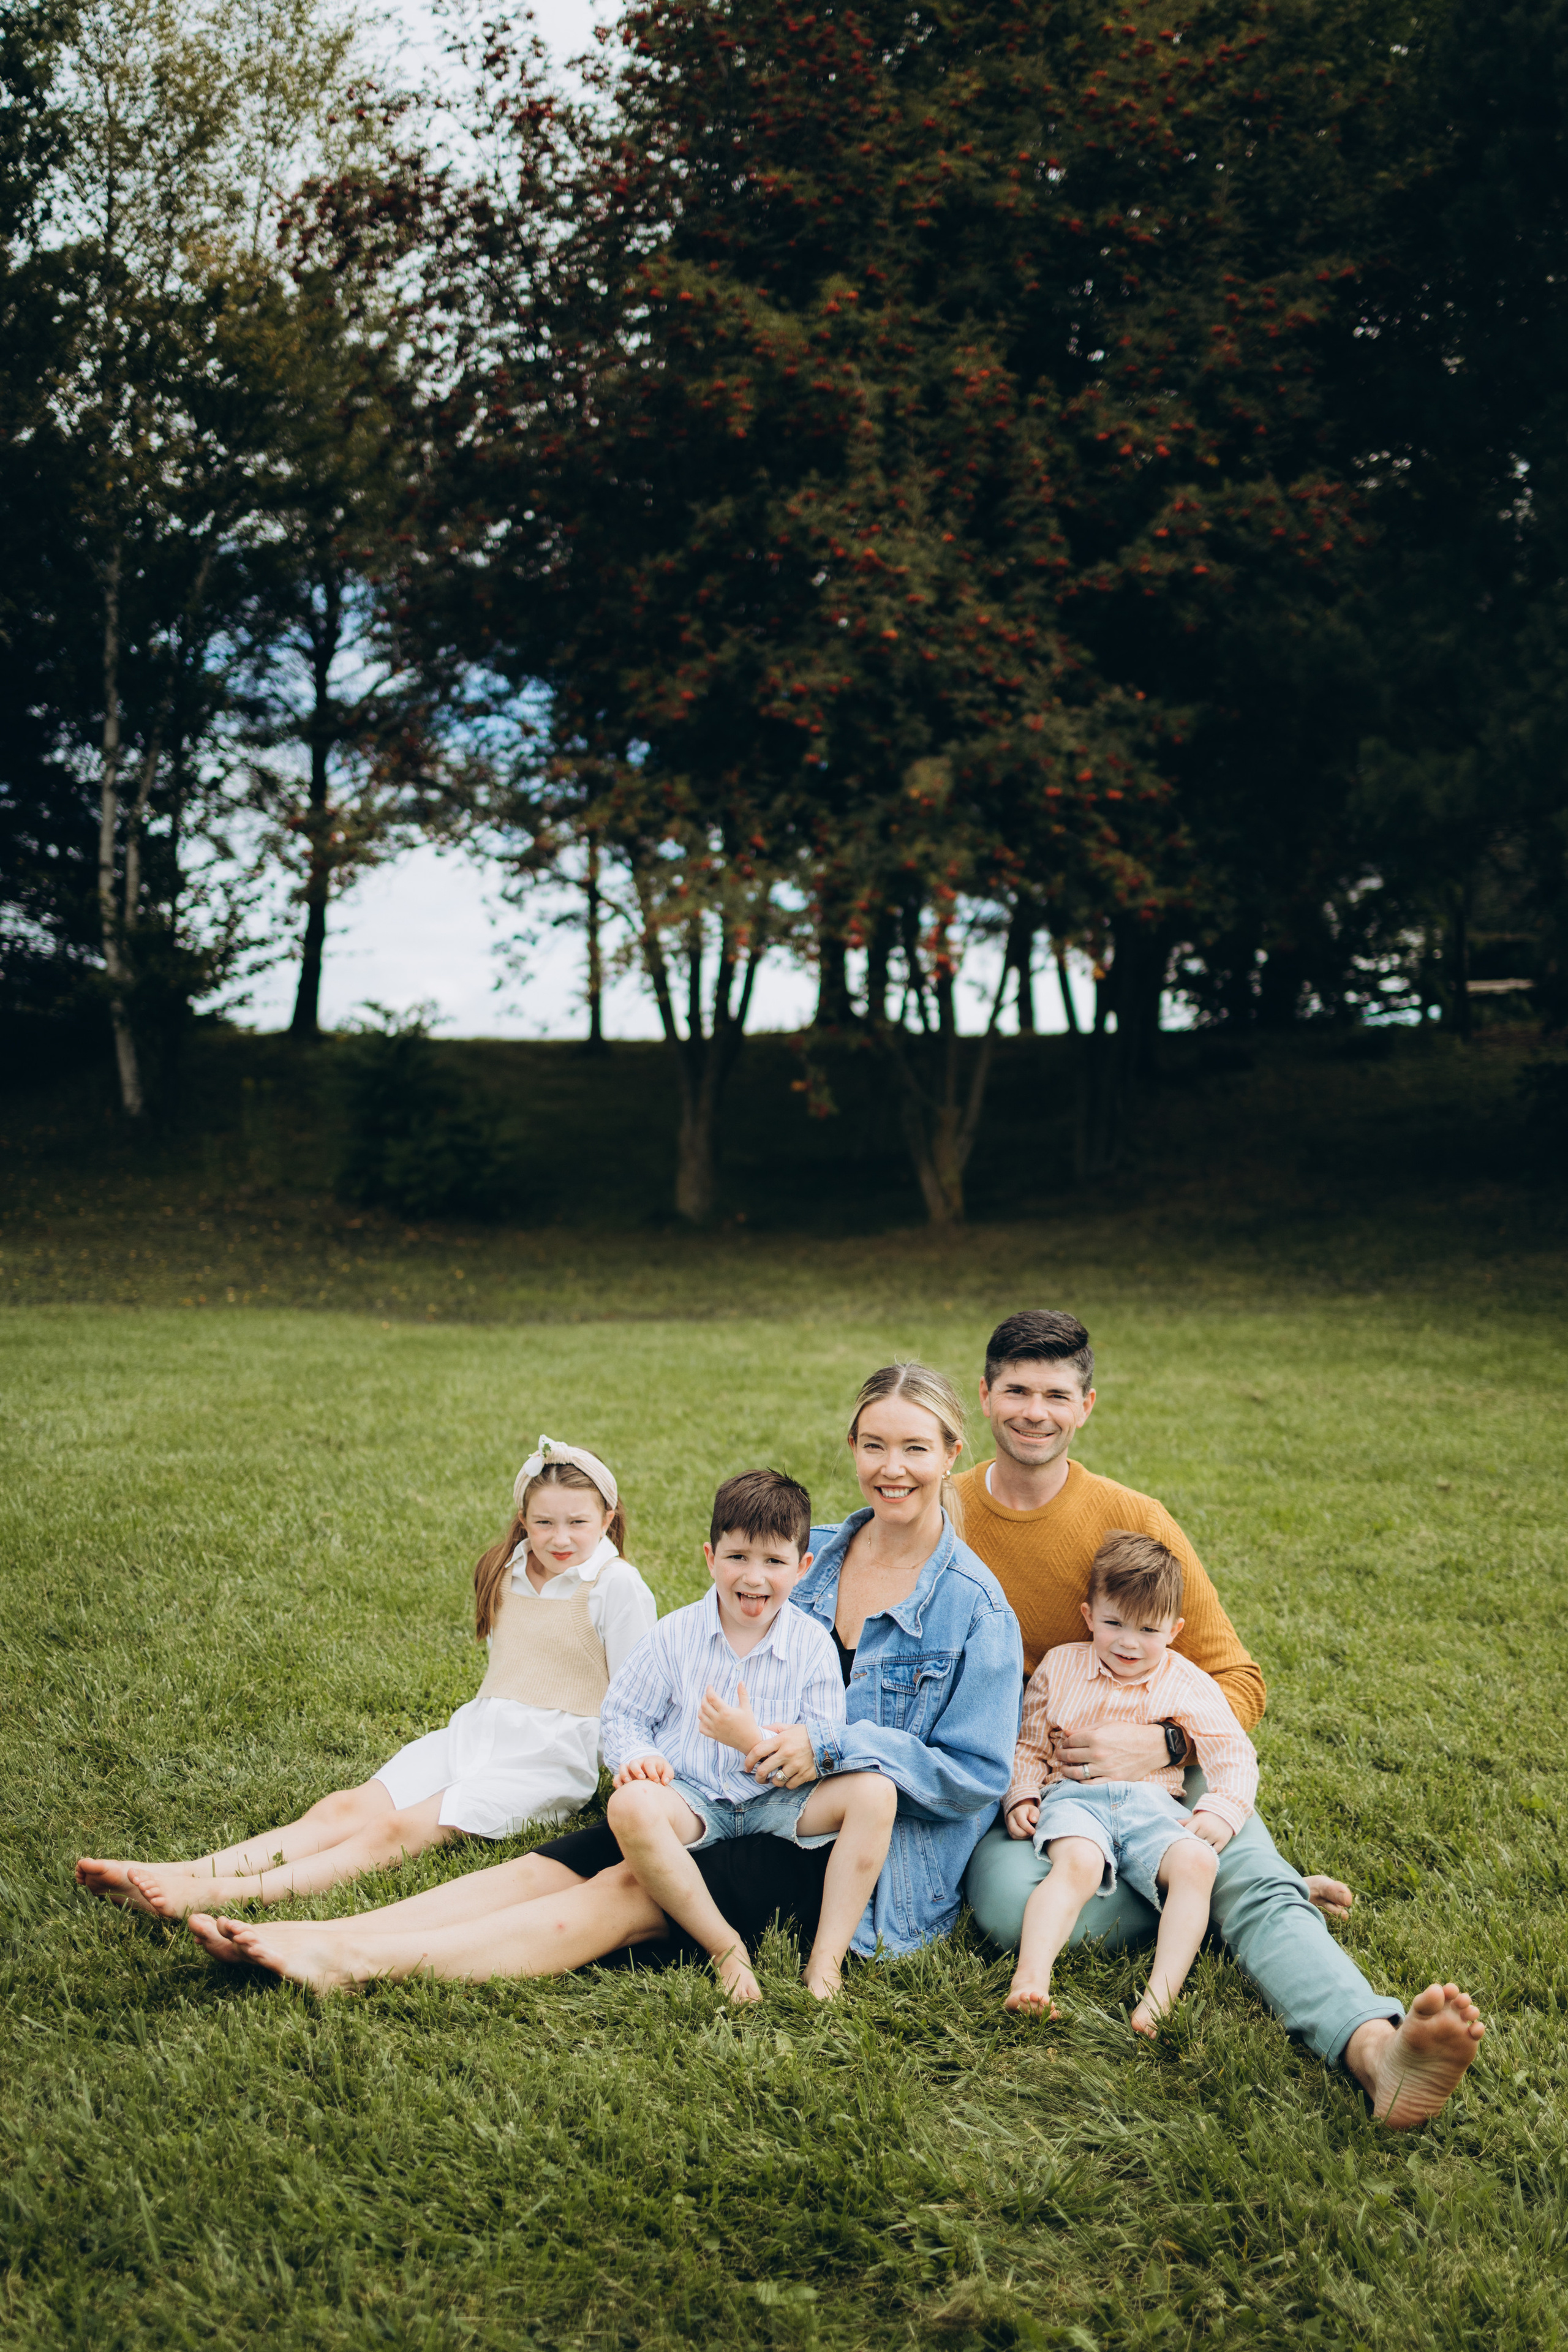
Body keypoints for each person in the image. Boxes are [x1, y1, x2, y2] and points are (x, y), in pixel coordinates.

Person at [188, 1361, 1022, 1995]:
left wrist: (831, 1746)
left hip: (833, 1845)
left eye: (916, 1448)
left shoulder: (976, 1608)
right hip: (717, 1793)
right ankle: (337, 1927)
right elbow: (706, 1649)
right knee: (553, 1864)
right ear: (853, 1448)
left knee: (625, 1887)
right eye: (875, 1445)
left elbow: (976, 1776)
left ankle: (355, 1960)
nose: (892, 1467)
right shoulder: (810, 1553)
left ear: (954, 1454)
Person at [957, 1310, 1485, 2128]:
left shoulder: (1135, 1519)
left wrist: (1160, 1742)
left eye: (1056, 1395)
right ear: (985, 1395)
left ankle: (1374, 2048)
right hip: (1043, 1775)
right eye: (1017, 1391)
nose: (1035, 1412)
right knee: (1002, 1909)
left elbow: (1237, 1676)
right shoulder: (948, 1512)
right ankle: (1233, 1893)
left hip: (1168, 1769)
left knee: (1229, 1868)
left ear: (1086, 1406)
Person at [77, 1438, 655, 1918]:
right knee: (343, 1809)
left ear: (607, 1519)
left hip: (549, 1757)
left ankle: (219, 1895)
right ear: (523, 1519)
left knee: (394, 1830)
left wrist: (632, 1772)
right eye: (544, 1522)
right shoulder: (505, 1568)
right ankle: (179, 1872)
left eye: (578, 1522)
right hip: (477, 1731)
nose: (560, 1538)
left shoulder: (616, 1586)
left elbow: (637, 1695)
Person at [601, 1468, 899, 2002]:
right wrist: (639, 1756)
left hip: (780, 1801)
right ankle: (724, 1947)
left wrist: (750, 1739)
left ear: (802, 1568)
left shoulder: (811, 1646)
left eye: (774, 1562)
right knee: (629, 1806)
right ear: (710, 1558)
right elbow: (622, 1714)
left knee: (877, 1794)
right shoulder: (674, 1635)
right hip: (692, 1796)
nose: (754, 1577)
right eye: (738, 1557)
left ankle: (826, 1961)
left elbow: (824, 1744)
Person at [1003, 1531, 1257, 2035]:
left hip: (1152, 1804)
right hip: (1075, 1797)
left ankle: (1159, 2000)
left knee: (1198, 1863)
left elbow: (1233, 1750)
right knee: (1077, 1864)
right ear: (1088, 1615)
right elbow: (1029, 1743)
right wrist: (1022, 1793)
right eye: (1113, 1623)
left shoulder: (1187, 1682)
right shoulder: (1060, 1666)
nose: (1128, 1642)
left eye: (1148, 1629)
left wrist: (1223, 1810)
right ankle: (1030, 1979)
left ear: (1174, 1630)